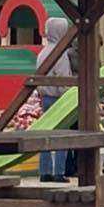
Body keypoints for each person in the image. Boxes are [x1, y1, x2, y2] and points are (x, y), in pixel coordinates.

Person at [35, 16, 71, 183]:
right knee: (62, 135)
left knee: (46, 134)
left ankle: (45, 171)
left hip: (45, 97)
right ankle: (59, 172)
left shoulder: (42, 52)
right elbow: (63, 78)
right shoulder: (60, 54)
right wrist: (68, 95)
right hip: (58, 98)